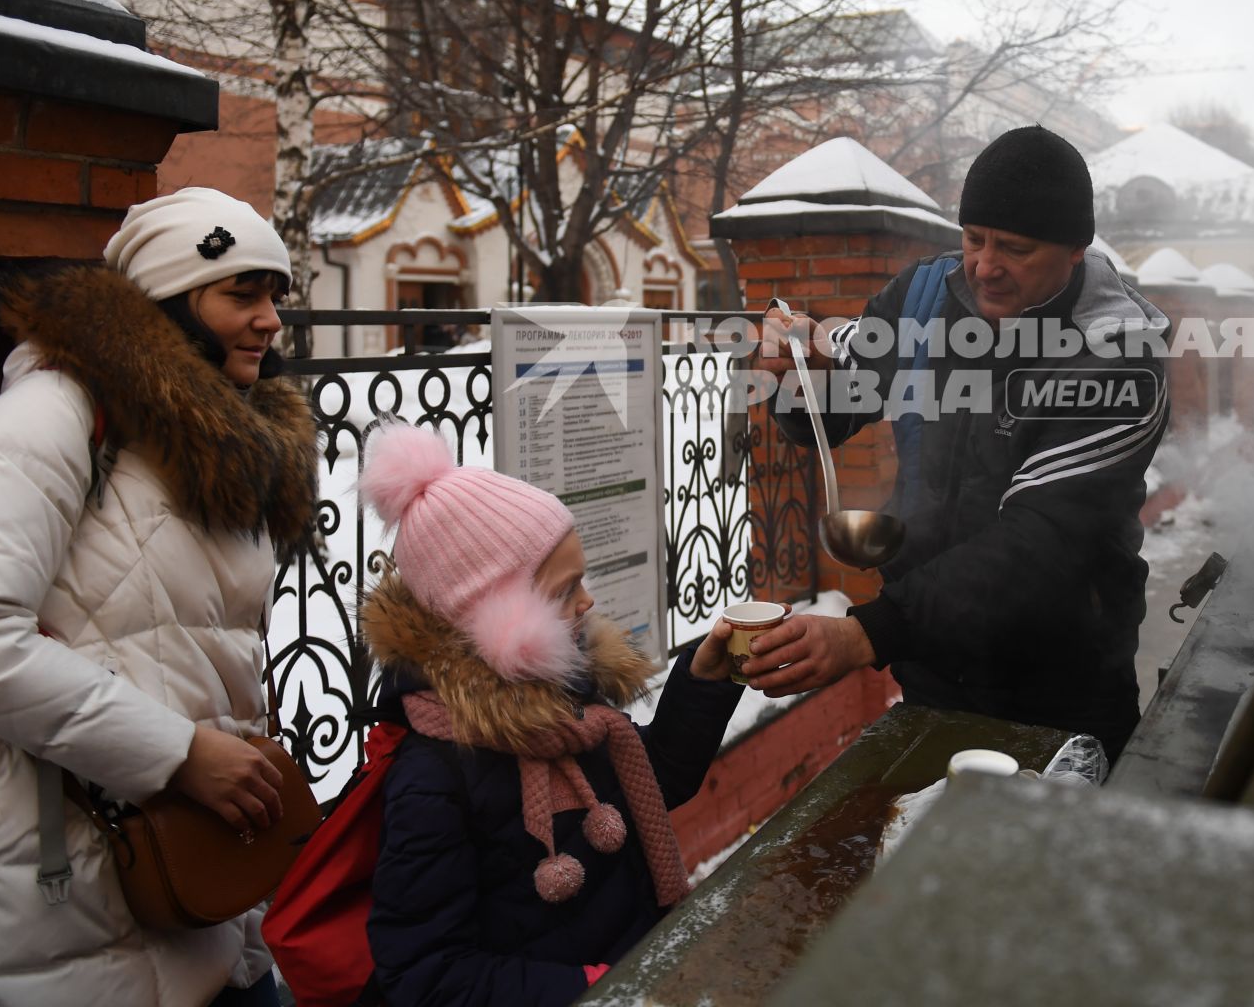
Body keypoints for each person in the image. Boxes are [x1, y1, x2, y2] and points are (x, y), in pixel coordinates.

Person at [0, 187, 318, 1006]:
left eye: (275, 293)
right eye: (242, 292)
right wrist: (177, 754)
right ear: (168, 304)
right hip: (45, 896)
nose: (271, 319)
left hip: (182, 886)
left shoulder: (213, 441)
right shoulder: (50, 417)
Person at [752, 125, 1169, 758]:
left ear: (1074, 250)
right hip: (932, 666)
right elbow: (843, 406)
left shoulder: (1118, 354)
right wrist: (799, 376)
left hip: (1061, 684)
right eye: (973, 239)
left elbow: (1042, 541)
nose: (984, 267)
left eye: (1016, 248)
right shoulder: (924, 298)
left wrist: (870, 633)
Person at [358, 422, 741, 1007]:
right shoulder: (434, 779)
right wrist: (584, 989)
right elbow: (425, 974)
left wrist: (705, 682)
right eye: (565, 590)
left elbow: (645, 785)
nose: (586, 602)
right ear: (488, 617)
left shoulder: (561, 703)